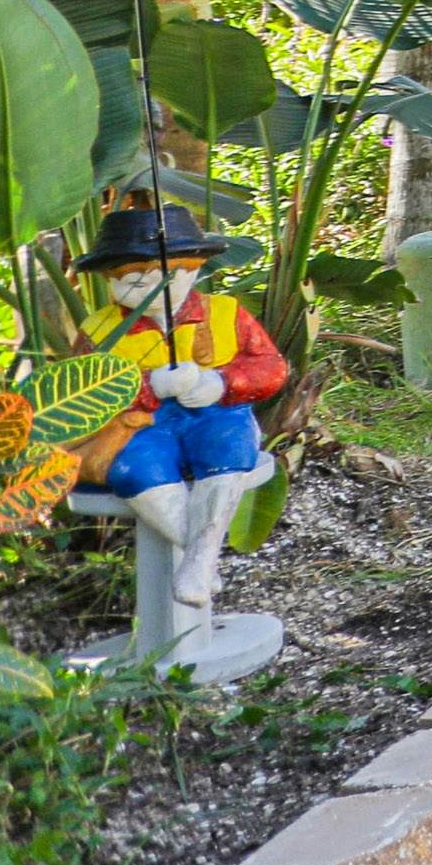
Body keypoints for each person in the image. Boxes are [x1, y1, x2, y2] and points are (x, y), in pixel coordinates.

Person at [71, 203, 288, 667]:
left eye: (164, 277)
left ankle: (198, 561)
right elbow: (78, 393)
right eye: (131, 279)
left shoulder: (226, 314)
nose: (148, 289)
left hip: (214, 413)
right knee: (133, 468)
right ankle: (202, 558)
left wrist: (221, 382)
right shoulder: (99, 331)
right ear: (109, 279)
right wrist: (149, 388)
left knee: (227, 449)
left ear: (192, 269)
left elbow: (271, 367)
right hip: (141, 424)